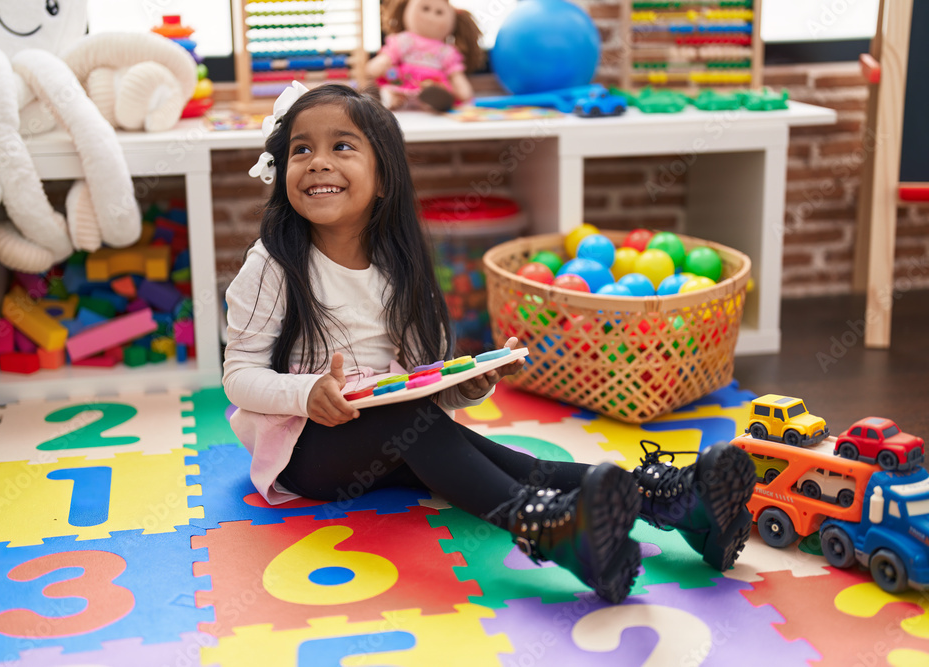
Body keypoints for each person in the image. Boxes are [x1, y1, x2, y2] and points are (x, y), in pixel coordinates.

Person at [223, 83, 757, 604]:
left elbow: (419, 378)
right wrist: (307, 392)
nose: (317, 161)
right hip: (305, 449)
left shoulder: (400, 268)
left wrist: (463, 386)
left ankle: (676, 503)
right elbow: (239, 375)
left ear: (383, 177)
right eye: (300, 149)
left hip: (393, 429)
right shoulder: (273, 264)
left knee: (499, 458)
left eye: (341, 145)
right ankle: (549, 531)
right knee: (411, 422)